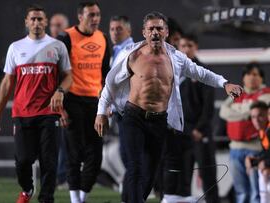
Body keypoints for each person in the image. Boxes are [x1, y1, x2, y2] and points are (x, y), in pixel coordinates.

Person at [94, 11, 243, 203]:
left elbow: (201, 73)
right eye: (151, 29)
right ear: (144, 32)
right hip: (134, 117)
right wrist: (101, 112)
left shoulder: (176, 58)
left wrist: (225, 83)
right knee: (135, 167)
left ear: (165, 32)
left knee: (151, 173)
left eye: (159, 28)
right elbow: (110, 84)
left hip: (159, 121)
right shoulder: (132, 55)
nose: (155, 32)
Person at [0, 4, 72, 203]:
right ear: (26, 22)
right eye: (32, 19)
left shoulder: (57, 46)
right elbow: (7, 82)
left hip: (49, 112)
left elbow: (68, 76)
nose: (36, 23)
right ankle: (27, 188)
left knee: (49, 162)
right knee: (23, 161)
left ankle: (46, 199)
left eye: (40, 19)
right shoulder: (15, 48)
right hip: (22, 112)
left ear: (46, 21)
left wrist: (60, 91)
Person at [57, 1, 110, 203]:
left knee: (95, 156)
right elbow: (57, 73)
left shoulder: (103, 38)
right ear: (80, 17)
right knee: (74, 153)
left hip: (95, 103)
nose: (95, 19)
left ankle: (82, 197)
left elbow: (106, 75)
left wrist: (108, 104)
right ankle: (74, 200)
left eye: (97, 14)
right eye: (91, 15)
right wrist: (60, 108)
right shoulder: (66, 37)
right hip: (72, 100)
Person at [177, 34, 220, 202]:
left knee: (208, 176)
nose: (186, 49)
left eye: (189, 45)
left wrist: (198, 129)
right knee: (183, 178)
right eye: (182, 46)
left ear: (195, 47)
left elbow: (208, 107)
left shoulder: (204, 72)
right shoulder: (174, 72)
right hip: (183, 134)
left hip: (201, 134)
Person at [220, 62, 270, 203]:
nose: (251, 77)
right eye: (248, 74)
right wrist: (245, 114)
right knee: (241, 192)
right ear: (243, 78)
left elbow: (256, 112)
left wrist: (237, 112)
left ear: (262, 78)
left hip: (255, 147)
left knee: (258, 192)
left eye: (255, 74)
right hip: (235, 148)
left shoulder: (266, 94)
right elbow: (223, 112)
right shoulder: (237, 93)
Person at [108, 14, 134, 202]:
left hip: (129, 111)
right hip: (120, 112)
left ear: (128, 31)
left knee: (130, 157)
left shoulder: (132, 51)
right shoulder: (117, 51)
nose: (115, 32)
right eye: (112, 29)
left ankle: (132, 195)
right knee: (127, 157)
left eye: (119, 29)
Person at [49, 12, 70, 188]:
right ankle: (55, 176)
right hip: (46, 103)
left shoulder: (66, 47)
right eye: (53, 25)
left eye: (59, 25)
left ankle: (62, 177)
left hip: (66, 100)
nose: (56, 28)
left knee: (65, 142)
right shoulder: (46, 47)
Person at [245, 101, 270, 203]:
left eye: (260, 116)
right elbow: (267, 152)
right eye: (253, 117)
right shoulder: (262, 131)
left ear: (267, 115)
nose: (256, 120)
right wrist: (254, 160)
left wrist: (265, 163)